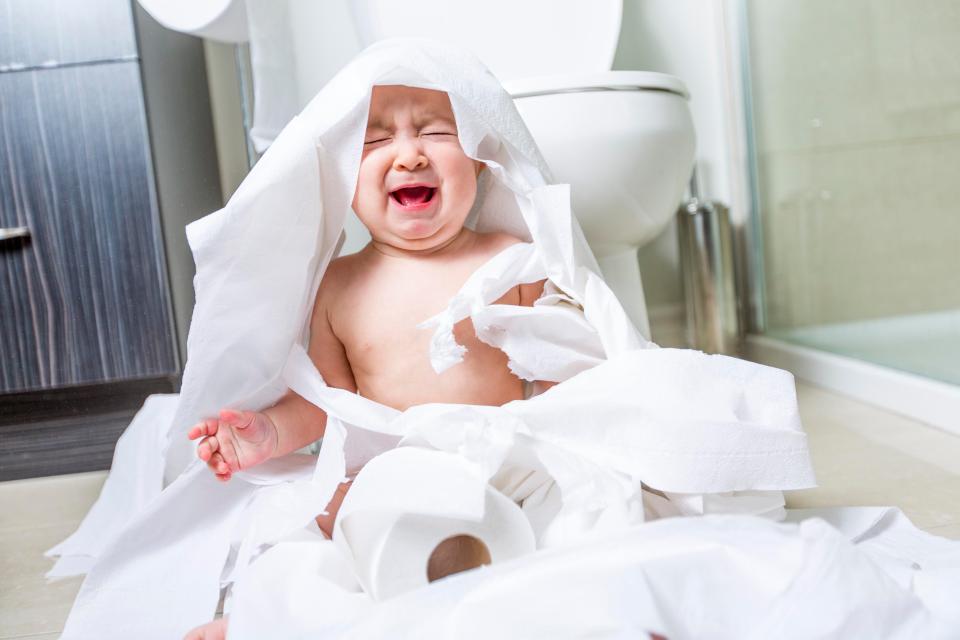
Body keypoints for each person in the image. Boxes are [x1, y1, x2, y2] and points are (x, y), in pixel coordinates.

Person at [183, 84, 548, 640]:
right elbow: (327, 404)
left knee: (571, 502)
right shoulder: (340, 286)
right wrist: (266, 433)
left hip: (501, 472)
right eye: (375, 140)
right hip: (393, 483)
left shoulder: (510, 263)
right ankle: (267, 621)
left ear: (478, 159)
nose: (409, 155)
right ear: (342, 179)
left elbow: (560, 378)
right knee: (309, 524)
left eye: (436, 132)